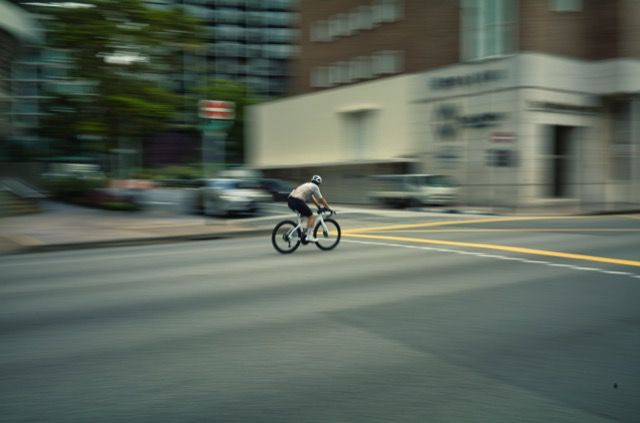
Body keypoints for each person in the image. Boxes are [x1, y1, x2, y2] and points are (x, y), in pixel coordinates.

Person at [287, 175, 334, 242]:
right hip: (297, 201)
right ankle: (309, 236)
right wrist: (328, 208)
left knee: (302, 216)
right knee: (312, 217)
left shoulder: (307, 185)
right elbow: (321, 199)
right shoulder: (315, 187)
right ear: (319, 183)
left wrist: (318, 206)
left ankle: (291, 232)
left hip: (290, 200)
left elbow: (312, 198)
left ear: (311, 180)